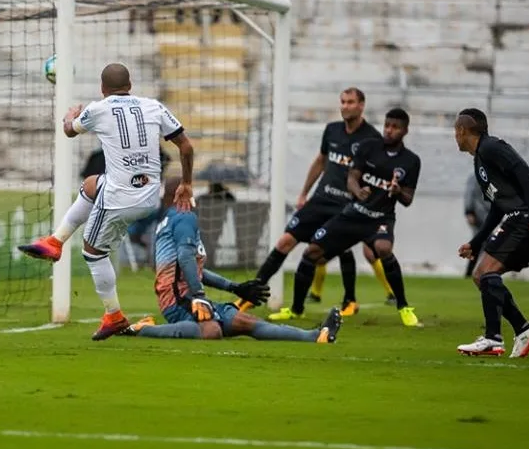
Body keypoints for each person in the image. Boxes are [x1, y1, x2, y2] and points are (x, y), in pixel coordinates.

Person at [18, 63, 195, 341]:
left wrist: (70, 115)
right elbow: (186, 146)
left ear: (103, 89)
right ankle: (55, 242)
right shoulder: (153, 106)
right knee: (91, 184)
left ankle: (113, 316)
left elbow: (69, 130)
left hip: (119, 198)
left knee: (93, 252)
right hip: (150, 195)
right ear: (130, 85)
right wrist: (186, 183)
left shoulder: (98, 109)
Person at [121, 178, 344, 343]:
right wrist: (198, 297)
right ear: (180, 193)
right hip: (178, 299)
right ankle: (144, 329)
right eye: (190, 191)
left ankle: (316, 336)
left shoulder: (169, 221)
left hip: (185, 295)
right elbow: (185, 258)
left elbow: (193, 269)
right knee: (212, 331)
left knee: (246, 321)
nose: (194, 196)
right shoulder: (183, 217)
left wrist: (234, 288)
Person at [271, 108, 421, 327]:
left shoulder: (411, 161)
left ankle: (403, 307)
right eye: (387, 125)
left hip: (380, 218)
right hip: (353, 214)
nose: (389, 130)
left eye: (395, 127)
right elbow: (352, 177)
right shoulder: (369, 147)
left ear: (405, 131)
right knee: (311, 251)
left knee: (383, 249)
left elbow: (408, 199)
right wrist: (358, 191)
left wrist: (398, 192)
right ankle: (296, 310)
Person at [247, 88, 389, 319]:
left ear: (361, 105)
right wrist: (304, 193)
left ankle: (344, 300)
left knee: (332, 251)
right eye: (342, 101)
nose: (345, 106)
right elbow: (321, 161)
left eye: (350, 102)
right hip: (321, 200)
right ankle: (250, 295)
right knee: (284, 241)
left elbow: (377, 174)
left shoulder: (371, 138)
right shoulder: (332, 130)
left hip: (346, 206)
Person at [454, 108, 529, 358]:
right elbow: (498, 206)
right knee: (482, 276)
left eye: (455, 131)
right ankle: (522, 330)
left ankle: (493, 338)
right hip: (519, 216)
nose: (454, 137)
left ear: (462, 131)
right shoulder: (480, 160)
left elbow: (524, 173)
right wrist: (476, 242)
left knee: (485, 273)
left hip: (527, 217)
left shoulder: (491, 147)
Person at [463, 173, 491, 277]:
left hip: (490, 216)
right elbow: (469, 194)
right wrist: (469, 211)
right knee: (478, 244)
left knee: (487, 244)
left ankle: (484, 271)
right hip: (478, 215)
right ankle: (470, 272)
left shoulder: (494, 177)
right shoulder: (474, 178)